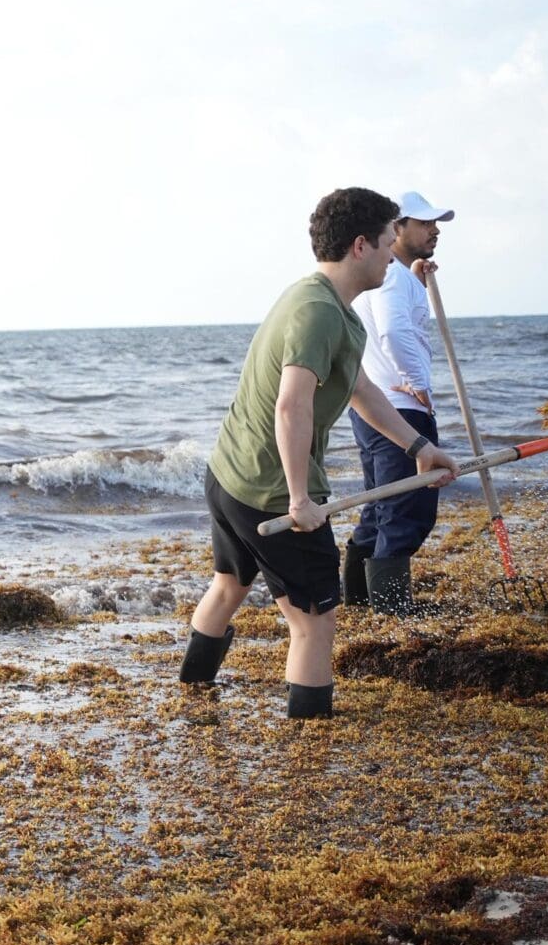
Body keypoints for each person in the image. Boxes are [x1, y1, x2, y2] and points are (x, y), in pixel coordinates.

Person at [180, 187, 461, 717]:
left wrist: (420, 447)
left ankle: (190, 697)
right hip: (268, 490)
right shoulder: (318, 313)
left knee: (229, 586)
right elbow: (291, 407)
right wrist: (299, 499)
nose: (390, 256)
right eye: (385, 243)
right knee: (314, 620)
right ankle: (310, 740)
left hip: (229, 474)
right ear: (361, 246)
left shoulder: (325, 303)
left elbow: (360, 390)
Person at [345, 190, 455, 611]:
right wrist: (418, 383)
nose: (435, 230)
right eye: (426, 223)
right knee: (407, 509)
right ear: (398, 227)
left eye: (436, 223)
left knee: (380, 503)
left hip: (374, 405)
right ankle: (390, 611)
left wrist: (416, 275)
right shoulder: (393, 276)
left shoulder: (394, 274)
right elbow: (392, 330)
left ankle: (357, 602)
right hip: (398, 406)